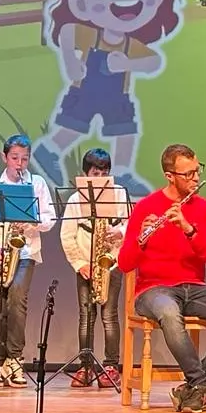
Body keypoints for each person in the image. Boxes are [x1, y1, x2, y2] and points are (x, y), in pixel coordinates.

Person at [35, 0, 185, 201]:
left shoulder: (131, 45)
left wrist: (128, 64)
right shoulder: (90, 33)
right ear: (79, 0)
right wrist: (69, 60)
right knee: (73, 125)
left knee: (125, 129)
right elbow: (67, 32)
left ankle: (124, 171)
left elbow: (153, 61)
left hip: (117, 96)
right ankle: (50, 150)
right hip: (87, 92)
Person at [116, 144, 206, 413]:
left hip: (193, 287)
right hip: (153, 290)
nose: (194, 179)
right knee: (169, 311)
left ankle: (192, 386)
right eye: (187, 174)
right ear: (170, 176)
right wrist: (141, 240)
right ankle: (199, 383)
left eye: (196, 171)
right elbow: (125, 263)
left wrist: (189, 230)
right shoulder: (146, 207)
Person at [0, 132, 56, 388]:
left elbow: (50, 219)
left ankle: (15, 360)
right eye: (15, 158)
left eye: (24, 159)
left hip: (25, 251)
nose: (19, 164)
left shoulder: (37, 184)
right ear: (4, 157)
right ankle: (0, 362)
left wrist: (31, 220)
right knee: (0, 308)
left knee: (17, 301)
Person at [58, 146, 125, 388]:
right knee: (86, 317)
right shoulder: (76, 199)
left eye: (104, 173)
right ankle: (85, 366)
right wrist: (79, 263)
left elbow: (130, 226)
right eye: (95, 173)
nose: (100, 178)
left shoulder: (118, 194)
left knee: (109, 317)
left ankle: (110, 366)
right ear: (86, 174)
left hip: (112, 264)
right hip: (86, 265)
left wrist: (119, 233)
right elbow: (67, 235)